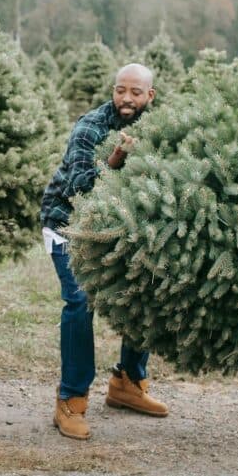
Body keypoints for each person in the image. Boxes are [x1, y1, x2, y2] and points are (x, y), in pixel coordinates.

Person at [41, 63, 168, 441]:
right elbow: (81, 185)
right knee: (81, 301)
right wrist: (113, 161)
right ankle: (71, 399)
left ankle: (128, 383)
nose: (126, 99)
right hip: (70, 223)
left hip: (122, 226)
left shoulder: (158, 127)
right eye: (120, 90)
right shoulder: (91, 127)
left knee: (141, 291)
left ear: (150, 96)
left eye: (135, 92)